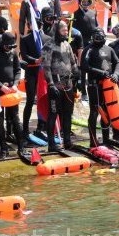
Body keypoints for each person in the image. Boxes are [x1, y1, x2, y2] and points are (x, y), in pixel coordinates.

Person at [41, 20, 79, 151]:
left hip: (68, 85)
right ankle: (51, 144)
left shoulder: (67, 45)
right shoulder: (49, 46)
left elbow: (73, 62)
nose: (66, 32)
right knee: (53, 114)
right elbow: (46, 67)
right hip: (56, 86)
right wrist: (51, 84)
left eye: (67, 31)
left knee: (68, 114)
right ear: (57, 30)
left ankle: (67, 141)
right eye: (63, 30)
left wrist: (76, 75)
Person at [0, 32, 26, 159]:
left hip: (11, 91)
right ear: (2, 43)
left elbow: (18, 69)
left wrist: (15, 84)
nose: (9, 49)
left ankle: (21, 147)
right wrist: (1, 86)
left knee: (15, 118)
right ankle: (3, 148)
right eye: (8, 46)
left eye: (11, 46)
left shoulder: (13, 53)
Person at [81, 27, 119, 146]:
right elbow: (84, 66)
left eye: (101, 37)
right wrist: (100, 72)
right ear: (93, 38)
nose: (99, 39)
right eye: (97, 37)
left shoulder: (109, 49)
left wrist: (116, 74)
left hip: (108, 86)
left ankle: (106, 138)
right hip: (95, 85)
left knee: (108, 111)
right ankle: (93, 141)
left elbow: (117, 63)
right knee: (95, 111)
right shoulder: (88, 49)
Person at [20, 17, 51, 139]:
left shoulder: (47, 39)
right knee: (30, 100)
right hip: (31, 72)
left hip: (43, 72)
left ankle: (41, 127)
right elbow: (24, 55)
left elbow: (50, 54)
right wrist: (35, 60)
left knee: (43, 99)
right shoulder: (25, 39)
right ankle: (25, 128)